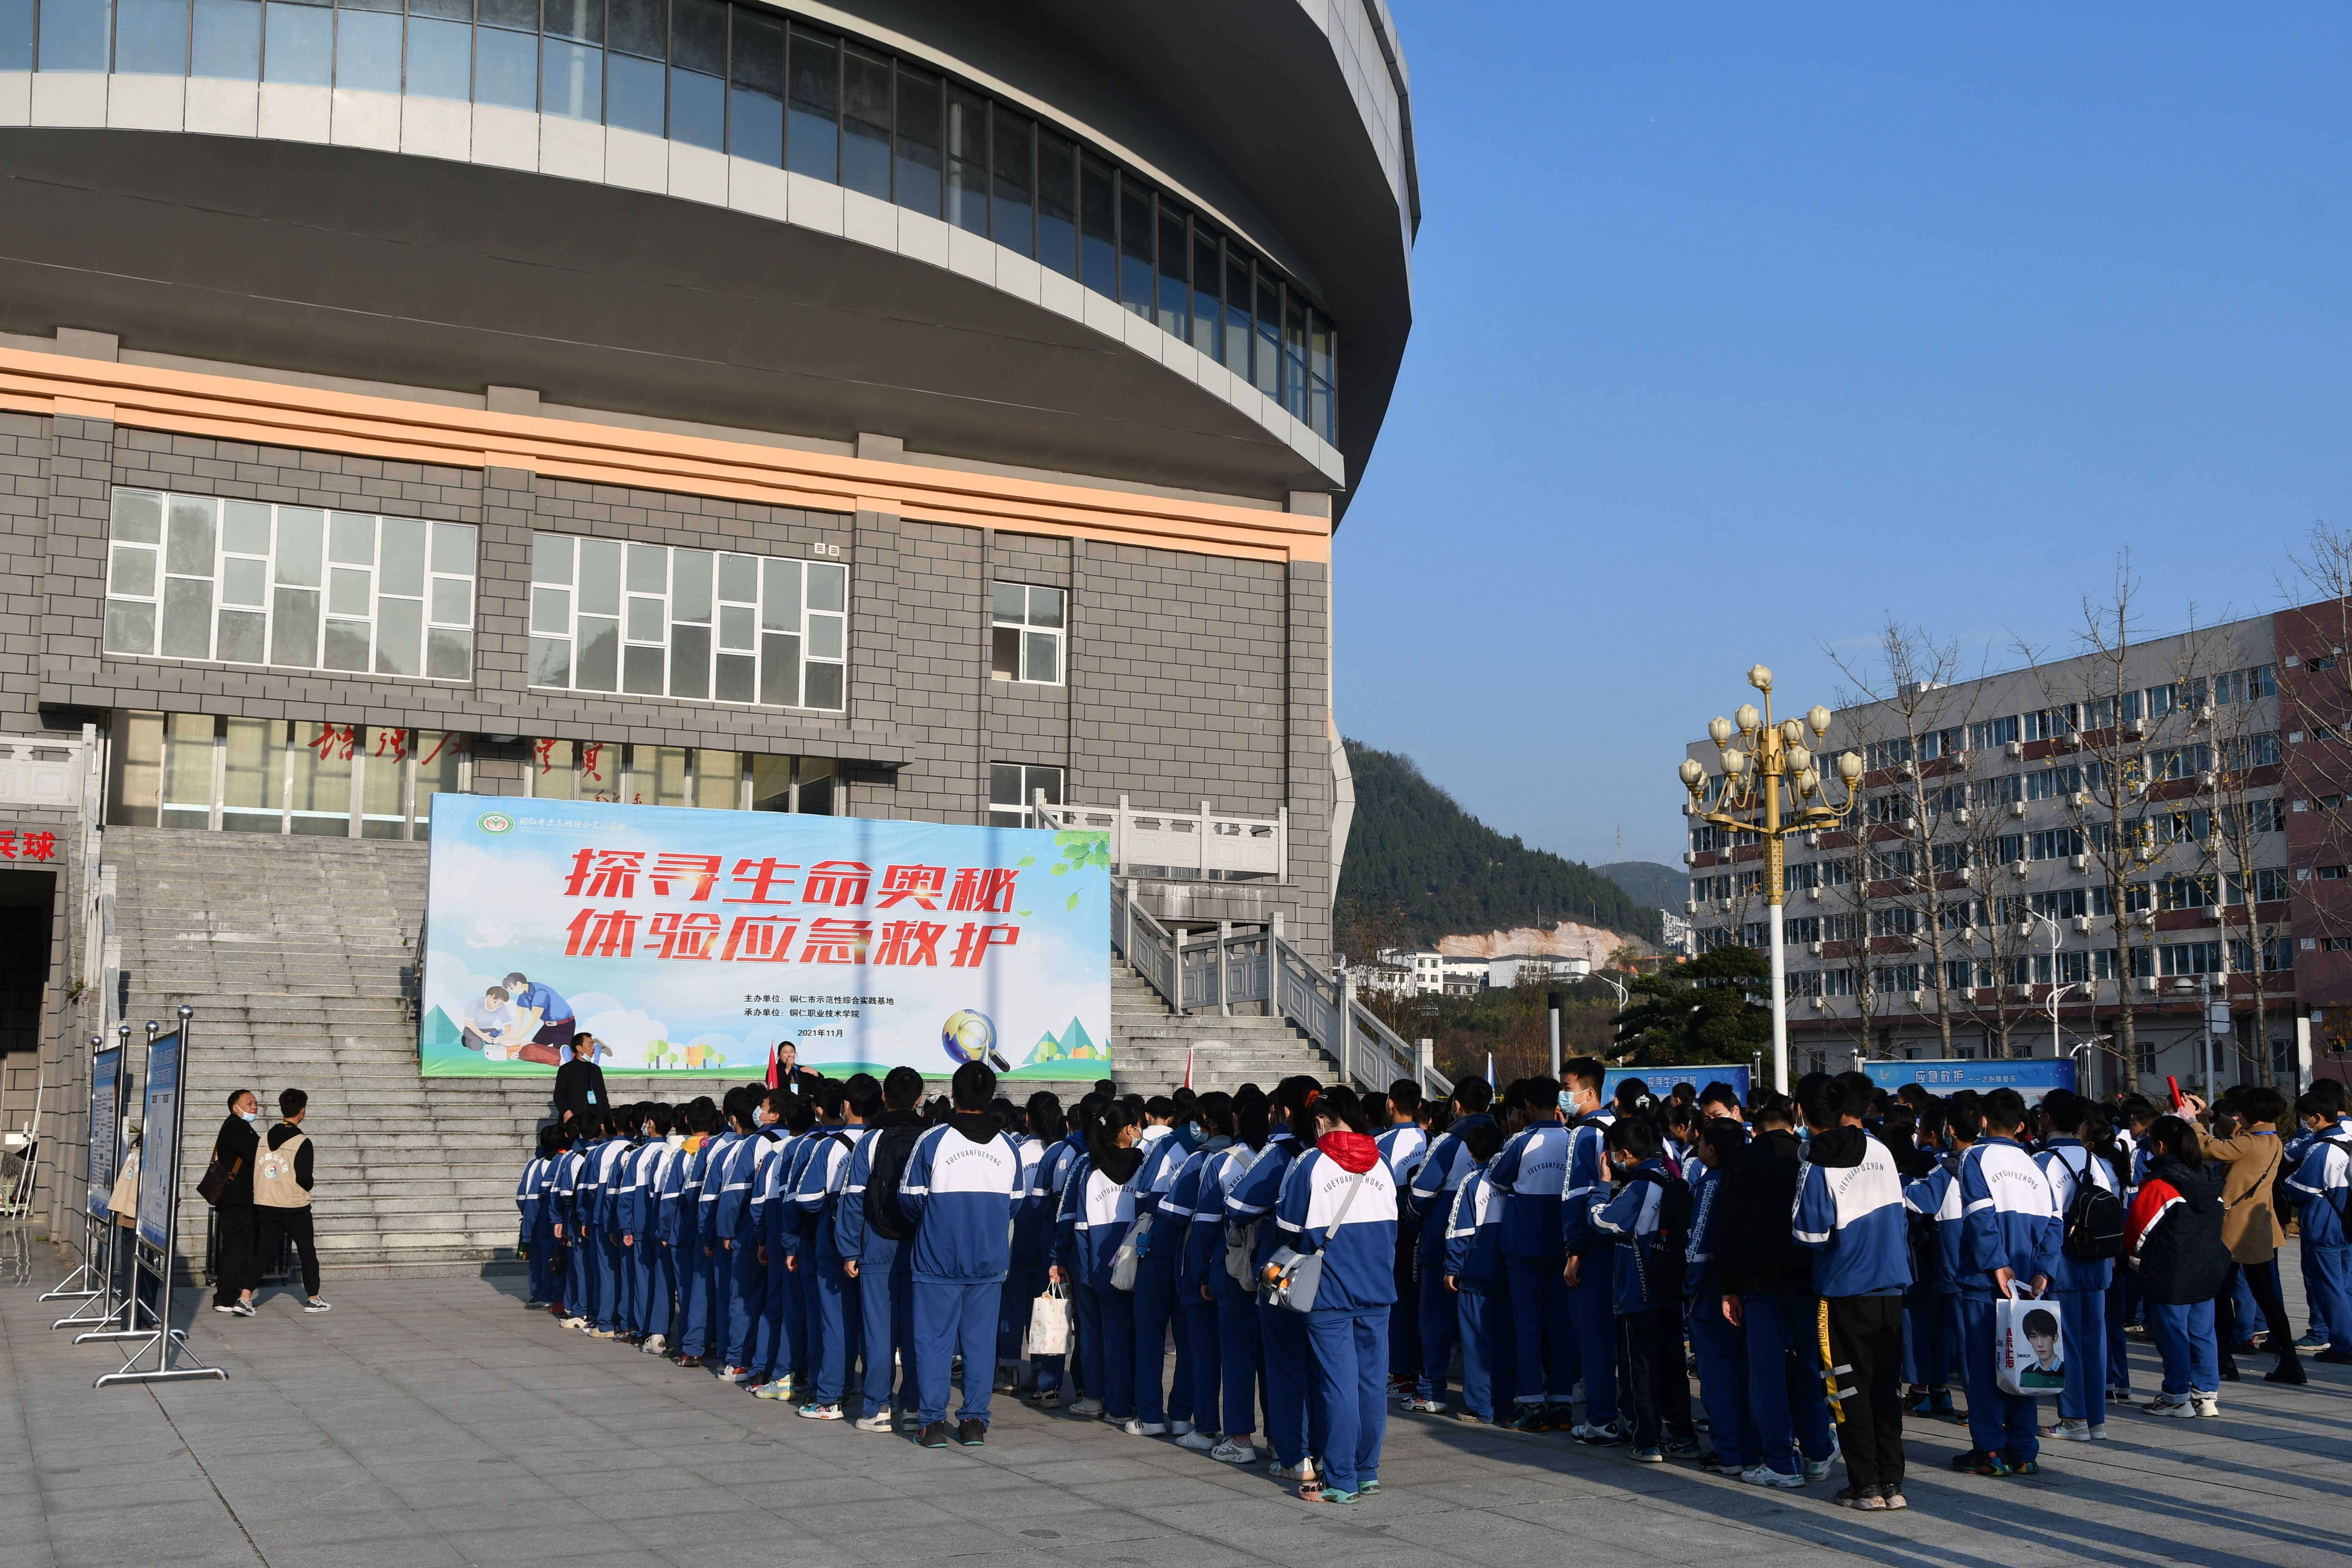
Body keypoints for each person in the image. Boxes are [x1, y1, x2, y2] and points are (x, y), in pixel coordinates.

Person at [1270, 1083, 1396, 1504]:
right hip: (1378, 1289)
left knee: (1338, 1385)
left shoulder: (1312, 1163)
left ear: (1322, 1120)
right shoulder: (1383, 1163)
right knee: (1371, 1384)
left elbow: (1288, 1231)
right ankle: (1367, 1470)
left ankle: (1340, 1478)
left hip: (1329, 1293)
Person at [1791, 1076, 1911, 1509]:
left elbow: (1810, 1234)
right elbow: (1901, 1216)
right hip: (1891, 1284)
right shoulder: (1880, 1149)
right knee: (1884, 1386)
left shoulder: (1815, 1163)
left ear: (1803, 1112)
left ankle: (1865, 1485)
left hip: (1843, 1288)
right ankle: (1892, 1482)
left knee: (1847, 1390)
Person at [900, 1061, 1026, 1448]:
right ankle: (974, 1421)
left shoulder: (934, 1140)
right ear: (991, 1098)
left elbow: (909, 1200)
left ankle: (933, 1423)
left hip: (938, 1259)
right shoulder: (1008, 1146)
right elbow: (1015, 1203)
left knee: (933, 1342)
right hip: (988, 1260)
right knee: (979, 1343)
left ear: (954, 1095)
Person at [1722, 1092, 1835, 1489]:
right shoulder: (1810, 1157)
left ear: (1756, 1124)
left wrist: (1728, 1288)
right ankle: (1819, 1453)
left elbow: (1728, 1227)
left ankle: (1781, 1462)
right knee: (1810, 1367)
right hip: (1808, 1276)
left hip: (1757, 1281)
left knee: (1767, 1374)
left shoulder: (1742, 1161)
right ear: (1793, 1121)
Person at [1952, 1087, 2061, 1477]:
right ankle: (2025, 1452)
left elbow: (1980, 1215)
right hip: (2028, 1285)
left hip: (1986, 1282)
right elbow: (2055, 1223)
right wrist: (2043, 1271)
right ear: (2021, 1125)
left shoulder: (1974, 1157)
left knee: (1982, 1369)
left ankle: (1990, 1451)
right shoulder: (2036, 1166)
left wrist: (1995, 1263)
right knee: (2024, 1365)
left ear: (1983, 1120)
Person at [1584, 1116, 1697, 1466]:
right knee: (1672, 1364)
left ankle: (1647, 1439)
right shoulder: (1670, 1174)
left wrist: (1601, 1188)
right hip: (1668, 1286)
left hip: (1640, 1288)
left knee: (1640, 1367)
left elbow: (1603, 1220)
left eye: (1615, 1154)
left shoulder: (1640, 1186)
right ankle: (1683, 1435)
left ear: (1626, 1153)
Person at [838, 1067, 927, 1428]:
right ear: (919, 1099)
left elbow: (853, 1199)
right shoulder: (932, 1138)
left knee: (879, 1331)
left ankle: (877, 1408)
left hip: (876, 1244)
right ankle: (914, 1407)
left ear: (885, 1098)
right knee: (918, 1330)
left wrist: (848, 1249)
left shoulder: (870, 1140)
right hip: (922, 1248)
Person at [2128, 1115, 2232, 1417]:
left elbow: (2139, 1229)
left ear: (2160, 1146)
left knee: (2172, 1333)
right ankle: (2206, 1396)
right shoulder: (2211, 1179)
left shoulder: (2162, 1185)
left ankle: (2176, 1397)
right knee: (2202, 1332)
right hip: (2208, 1266)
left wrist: (2136, 1261)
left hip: (2171, 1270)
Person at [1488, 1074, 1576, 1432]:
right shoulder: (1573, 1139)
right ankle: (1562, 1403)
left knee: (1527, 1328)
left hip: (1525, 1248)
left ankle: (1531, 1404)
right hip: (1564, 1247)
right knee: (1560, 1328)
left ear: (1525, 1107)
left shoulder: (1520, 1141)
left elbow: (1496, 1178)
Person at [2031, 1089, 2118, 1439]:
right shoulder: (2095, 1160)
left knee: (2062, 1343)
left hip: (2061, 1265)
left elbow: (2041, 1219)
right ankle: (2095, 1420)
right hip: (2097, 1262)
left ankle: (2073, 1419)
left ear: (2047, 1119)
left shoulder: (2042, 1161)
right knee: (2094, 1343)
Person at [1407, 1077, 1497, 1416]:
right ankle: (1489, 1397)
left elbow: (1421, 1192)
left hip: (1444, 1244)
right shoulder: (1503, 1138)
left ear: (1456, 1104)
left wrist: (1412, 1223)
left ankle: (1432, 1390)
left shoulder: (1449, 1140)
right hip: (1488, 1244)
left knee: (1435, 1320)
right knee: (1482, 1326)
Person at [1056, 1098, 1145, 1427]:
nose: (1140, 1131)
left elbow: (1074, 1224)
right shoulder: (1145, 1163)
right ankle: (1125, 1404)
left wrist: (1078, 1268)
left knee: (1093, 1336)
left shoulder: (1087, 1169)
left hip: (1094, 1264)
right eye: (1136, 1125)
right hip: (1136, 1261)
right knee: (1130, 1337)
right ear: (1126, 1130)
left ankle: (1095, 1398)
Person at [1557, 1059, 1624, 1441]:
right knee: (1622, 1336)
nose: (1564, 1096)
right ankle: (1629, 1413)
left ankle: (1601, 1418)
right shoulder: (1619, 1127)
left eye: (1568, 1087)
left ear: (1590, 1091)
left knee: (1595, 1335)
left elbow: (1574, 1197)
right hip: (1623, 1242)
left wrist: (1574, 1249)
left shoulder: (1583, 1135)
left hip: (1594, 1246)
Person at [1166, 1092, 1235, 1451]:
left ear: (1207, 1119)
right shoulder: (1252, 1157)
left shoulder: (1202, 1161)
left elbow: (1174, 1212)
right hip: (1242, 1271)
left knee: (1202, 1352)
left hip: (1203, 1267)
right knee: (1242, 1361)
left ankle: (1204, 1425)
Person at [1684, 1119, 1753, 1474]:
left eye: (1702, 1142)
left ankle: (1730, 1452)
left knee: (1718, 1378)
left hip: (1713, 1294)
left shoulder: (1711, 1183)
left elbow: (1699, 1244)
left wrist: (1689, 1287)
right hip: (1746, 1289)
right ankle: (1749, 1448)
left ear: (1712, 1149)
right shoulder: (1748, 1175)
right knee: (1745, 1374)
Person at [1442, 1118, 1513, 1424]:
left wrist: (1451, 1268)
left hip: (1476, 1276)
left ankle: (1480, 1407)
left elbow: (1458, 1232)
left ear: (1471, 1153)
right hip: (1509, 1272)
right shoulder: (1511, 1179)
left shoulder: (1471, 1183)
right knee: (1505, 1343)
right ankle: (1504, 1405)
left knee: (1476, 1344)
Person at [2286, 1088, 2352, 1367]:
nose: (2304, 1122)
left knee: (2330, 1288)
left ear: (2317, 1117)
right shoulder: (2347, 1140)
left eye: (2305, 1117)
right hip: (2345, 1223)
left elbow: (2299, 1190)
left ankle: (2343, 1344)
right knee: (2346, 1286)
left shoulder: (2323, 1149)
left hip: (2326, 1225)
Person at [251, 1088, 329, 1312]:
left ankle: (245, 1297)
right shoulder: (302, 1141)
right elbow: (305, 1176)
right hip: (294, 1205)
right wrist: (308, 1185)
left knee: (263, 1252)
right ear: (302, 1112)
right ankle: (313, 1298)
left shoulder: (264, 1138)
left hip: (266, 1202)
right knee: (307, 1252)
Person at [1376, 1079, 1428, 1398]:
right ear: (1420, 1106)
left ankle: (1401, 1374)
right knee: (1420, 1303)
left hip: (1396, 1231)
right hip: (1427, 1231)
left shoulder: (1380, 1143)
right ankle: (1420, 1371)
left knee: (1397, 1301)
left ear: (1391, 1104)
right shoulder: (1433, 1139)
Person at [209, 1089, 264, 1317]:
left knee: (237, 1247)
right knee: (236, 1248)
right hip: (237, 1199)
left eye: (256, 1103)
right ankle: (227, 1296)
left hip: (237, 1198)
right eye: (249, 1103)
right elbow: (256, 1154)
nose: (254, 1107)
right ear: (236, 1107)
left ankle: (230, 1293)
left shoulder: (238, 1126)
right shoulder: (236, 1127)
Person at [503, 969, 577, 1064]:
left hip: (564, 1025)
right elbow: (520, 1014)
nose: (512, 992)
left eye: (512, 989)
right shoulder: (524, 994)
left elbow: (534, 1017)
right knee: (535, 1047)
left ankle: (590, 1050)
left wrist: (521, 1035)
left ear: (519, 984)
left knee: (562, 1055)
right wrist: (517, 1032)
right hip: (549, 1026)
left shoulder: (540, 992)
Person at [553, 1034, 609, 1127]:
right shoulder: (567, 1069)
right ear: (579, 1048)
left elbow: (603, 1096)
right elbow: (559, 1094)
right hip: (576, 1120)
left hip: (596, 1119)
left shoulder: (596, 1070)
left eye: (593, 1045)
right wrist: (566, 1111)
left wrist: (607, 1117)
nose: (593, 1048)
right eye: (589, 1045)